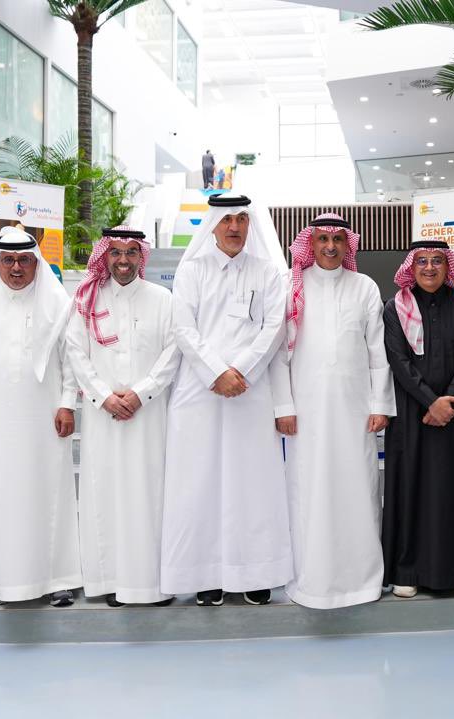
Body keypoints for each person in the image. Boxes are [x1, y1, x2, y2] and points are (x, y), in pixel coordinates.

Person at [160, 194, 291, 607]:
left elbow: (275, 328)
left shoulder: (267, 272)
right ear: (213, 225)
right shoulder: (192, 271)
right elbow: (184, 329)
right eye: (227, 220)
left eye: (241, 220)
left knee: (253, 482)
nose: (234, 227)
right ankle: (206, 575)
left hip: (250, 391)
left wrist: (242, 371)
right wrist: (217, 372)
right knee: (199, 483)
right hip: (199, 392)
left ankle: (255, 573)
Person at [270, 213, 395, 609]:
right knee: (309, 493)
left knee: (358, 490)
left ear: (347, 245)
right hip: (305, 414)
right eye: (322, 239)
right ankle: (312, 581)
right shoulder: (290, 287)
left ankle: (362, 581)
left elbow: (378, 352)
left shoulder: (364, 287)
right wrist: (284, 406)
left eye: (337, 239)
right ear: (310, 244)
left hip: (356, 412)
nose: (329, 246)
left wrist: (380, 405)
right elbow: (278, 354)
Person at [0, 226, 80, 608]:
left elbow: (71, 361)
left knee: (51, 492)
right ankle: (0, 582)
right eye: (8, 260)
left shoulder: (57, 303)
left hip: (46, 419)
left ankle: (58, 579)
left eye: (24, 260)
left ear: (36, 262)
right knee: (0, 497)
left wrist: (67, 403)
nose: (16, 268)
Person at [66, 226, 180, 607]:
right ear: (105, 255)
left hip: (149, 417)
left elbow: (173, 352)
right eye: (116, 252)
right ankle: (112, 582)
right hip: (103, 418)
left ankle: (150, 585)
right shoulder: (87, 298)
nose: (123, 260)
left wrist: (140, 394)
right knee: (106, 496)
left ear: (141, 256)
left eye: (132, 251)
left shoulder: (162, 299)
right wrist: (104, 397)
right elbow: (75, 352)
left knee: (149, 496)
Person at [382, 239, 454, 598]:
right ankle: (407, 572)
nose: (429, 268)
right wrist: (430, 401)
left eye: (437, 261)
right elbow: (398, 360)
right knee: (411, 489)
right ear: (411, 268)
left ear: (447, 266)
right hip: (412, 414)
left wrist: (447, 401)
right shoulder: (395, 308)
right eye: (422, 261)